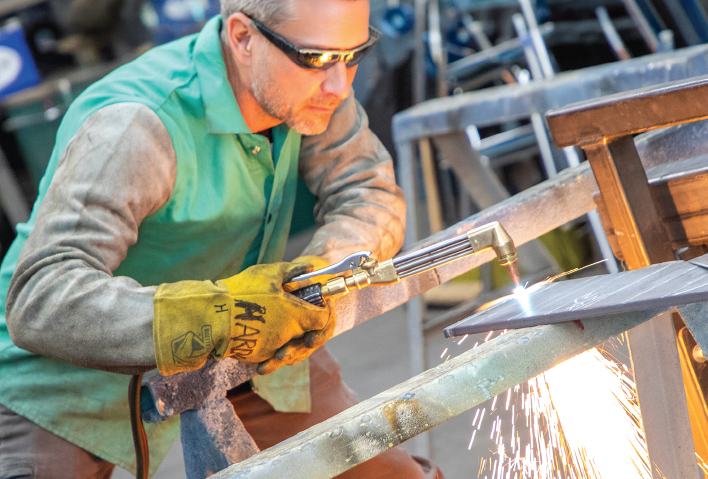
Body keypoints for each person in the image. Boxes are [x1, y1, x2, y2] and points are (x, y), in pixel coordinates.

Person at [0, 0, 445, 478]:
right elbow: (39, 300)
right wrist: (223, 316)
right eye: (318, 59)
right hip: (67, 376)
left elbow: (366, 188)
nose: (340, 83)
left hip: (250, 344)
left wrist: (315, 279)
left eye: (353, 54)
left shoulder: (313, 85)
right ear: (242, 37)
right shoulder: (135, 125)